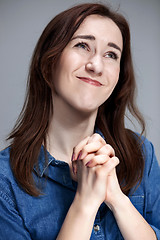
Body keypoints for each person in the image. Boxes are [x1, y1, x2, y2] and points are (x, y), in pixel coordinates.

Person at [0, 3, 159, 240]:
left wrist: (117, 200)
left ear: (118, 77)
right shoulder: (5, 181)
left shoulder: (141, 153)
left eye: (111, 54)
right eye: (82, 45)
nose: (96, 66)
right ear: (48, 63)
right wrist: (85, 203)